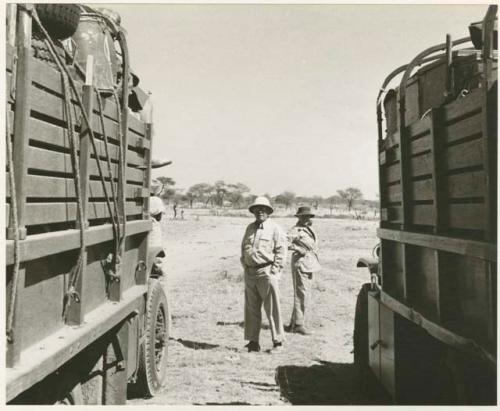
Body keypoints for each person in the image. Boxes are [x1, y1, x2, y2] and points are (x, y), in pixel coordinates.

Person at [240, 196, 287, 352]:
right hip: (250, 273)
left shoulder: (275, 229)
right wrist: (246, 266)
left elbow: (281, 251)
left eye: (263, 209)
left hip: (266, 272)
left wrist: (274, 272)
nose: (260, 211)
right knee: (252, 309)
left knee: (272, 309)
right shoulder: (249, 228)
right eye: (257, 209)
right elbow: (243, 249)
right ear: (253, 211)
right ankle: (253, 342)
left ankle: (278, 342)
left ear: (268, 211)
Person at [286, 206, 321, 335]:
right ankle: (299, 325)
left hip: (309, 263)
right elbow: (283, 242)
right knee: (302, 294)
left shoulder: (309, 229)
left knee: (303, 294)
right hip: (300, 264)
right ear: (299, 217)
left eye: (309, 216)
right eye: (304, 216)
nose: (307, 218)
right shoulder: (295, 230)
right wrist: (296, 248)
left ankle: (294, 323)